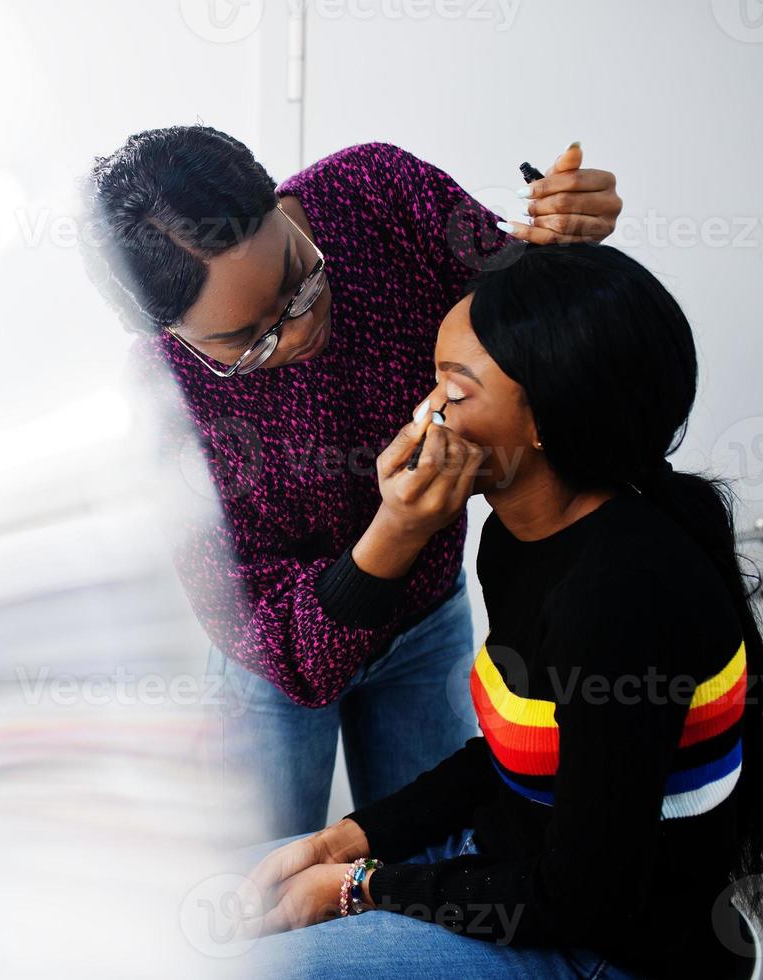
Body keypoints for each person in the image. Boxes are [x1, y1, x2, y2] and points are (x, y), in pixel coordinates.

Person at [228, 244, 761, 979]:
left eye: (454, 390)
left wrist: (359, 889)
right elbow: (517, 758)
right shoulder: (515, 535)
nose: (424, 413)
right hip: (512, 859)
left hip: (609, 947)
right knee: (204, 901)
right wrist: (343, 841)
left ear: (547, 417)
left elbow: (582, 899)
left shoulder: (618, 596)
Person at [81, 128, 624, 838]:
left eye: (298, 279)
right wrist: (395, 531)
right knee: (266, 891)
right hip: (274, 676)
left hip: (428, 620)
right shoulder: (163, 399)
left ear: (277, 199)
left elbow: (526, 317)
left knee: (430, 861)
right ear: (166, 335)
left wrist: (569, 239)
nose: (299, 328)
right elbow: (285, 652)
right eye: (249, 342)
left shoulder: (376, 191)